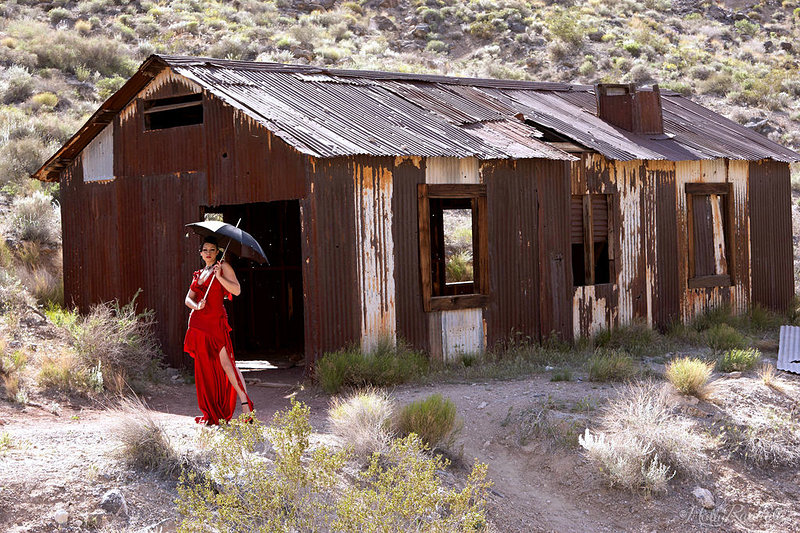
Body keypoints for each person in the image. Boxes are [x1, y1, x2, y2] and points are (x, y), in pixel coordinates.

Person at [183, 236, 253, 425]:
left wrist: (220, 277)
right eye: (205, 250)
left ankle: (245, 404)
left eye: (212, 250)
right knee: (205, 369)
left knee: (227, 364)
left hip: (215, 323)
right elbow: (188, 299)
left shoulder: (223, 267)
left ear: (217, 252)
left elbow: (236, 290)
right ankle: (213, 412)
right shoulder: (198, 274)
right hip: (198, 325)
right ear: (200, 253)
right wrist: (197, 306)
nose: (208, 253)